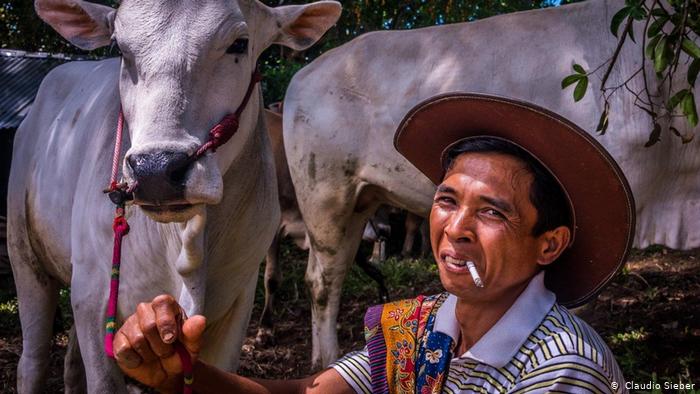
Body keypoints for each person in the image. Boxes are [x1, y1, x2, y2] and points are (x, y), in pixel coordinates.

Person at [112, 93, 634, 393]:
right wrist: (183, 374)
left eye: (492, 211)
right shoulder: (427, 326)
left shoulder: (564, 367)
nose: (454, 229)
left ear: (550, 244)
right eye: (447, 200)